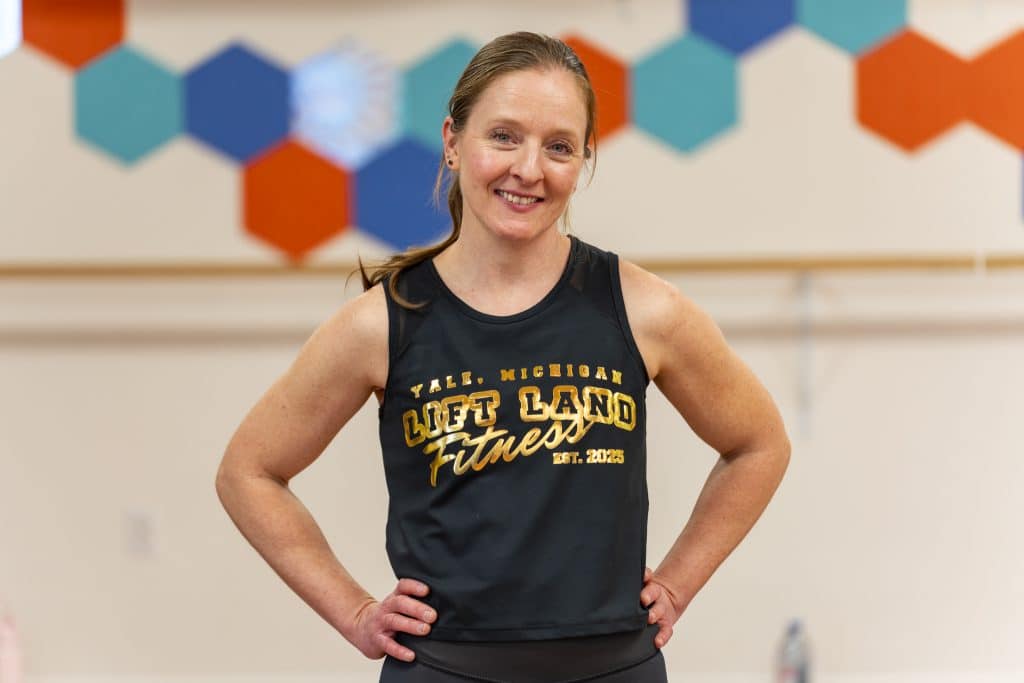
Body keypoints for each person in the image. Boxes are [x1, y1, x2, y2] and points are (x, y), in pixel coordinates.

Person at [215, 31, 791, 683]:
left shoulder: (644, 308)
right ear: (453, 142)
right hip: (445, 668)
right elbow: (249, 471)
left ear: (584, 159)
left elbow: (759, 443)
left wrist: (680, 582)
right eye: (504, 137)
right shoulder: (382, 322)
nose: (529, 169)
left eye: (559, 146)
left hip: (614, 667)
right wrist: (354, 612)